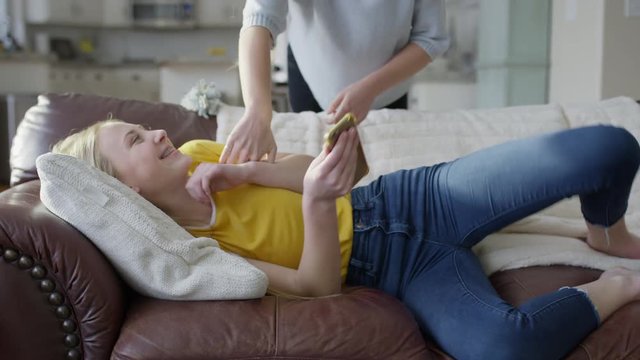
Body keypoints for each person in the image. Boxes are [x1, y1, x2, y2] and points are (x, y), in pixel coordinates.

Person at [53, 119, 640, 360]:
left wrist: (251, 172)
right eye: (135, 141)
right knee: (502, 349)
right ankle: (616, 285)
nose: (157, 132)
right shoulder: (198, 252)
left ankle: (605, 230)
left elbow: (332, 174)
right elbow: (316, 286)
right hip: (399, 270)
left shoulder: (203, 155)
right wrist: (312, 201)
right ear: (124, 194)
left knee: (607, 148)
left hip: (406, 199)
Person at [222, 0, 450, 164]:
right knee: (310, 172)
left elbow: (431, 38)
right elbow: (258, 21)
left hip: (387, 89)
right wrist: (257, 112)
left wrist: (370, 89)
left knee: (381, 172)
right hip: (310, 74)